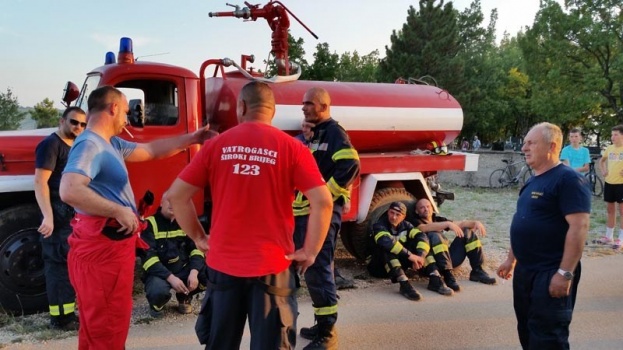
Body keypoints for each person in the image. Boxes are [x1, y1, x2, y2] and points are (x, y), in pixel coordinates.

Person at [166, 81, 333, 350]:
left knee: (220, 343)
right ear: (273, 110)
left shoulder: (217, 145)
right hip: (273, 267)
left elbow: (177, 196)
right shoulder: (293, 148)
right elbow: (323, 202)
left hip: (223, 267)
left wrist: (198, 236)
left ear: (241, 106)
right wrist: (310, 251)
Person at [59, 85, 215, 350]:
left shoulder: (112, 143)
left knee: (100, 327)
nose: (127, 118)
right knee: (107, 327)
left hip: (107, 248)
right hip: (101, 250)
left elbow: (152, 150)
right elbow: (69, 189)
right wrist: (118, 210)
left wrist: (194, 138)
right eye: (126, 111)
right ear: (113, 108)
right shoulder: (90, 144)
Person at [497, 122, 591, 349]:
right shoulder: (533, 180)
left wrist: (565, 273)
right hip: (526, 271)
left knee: (548, 337)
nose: (524, 148)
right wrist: (511, 259)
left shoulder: (568, 180)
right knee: (527, 330)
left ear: (552, 146)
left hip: (551, 271)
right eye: (524, 143)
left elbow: (579, 227)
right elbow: (521, 221)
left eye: (531, 143)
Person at [293, 87, 360, 349]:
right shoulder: (316, 133)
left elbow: (350, 164)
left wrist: (324, 198)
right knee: (313, 272)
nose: (304, 107)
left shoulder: (334, 131)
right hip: (309, 214)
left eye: (309, 103)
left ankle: (328, 335)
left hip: (322, 214)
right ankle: (322, 326)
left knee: (320, 270)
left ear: (323, 105)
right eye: (303, 103)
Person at [34, 106, 87, 331]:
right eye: (74, 122)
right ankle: (60, 318)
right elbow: (40, 182)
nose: (78, 127)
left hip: (68, 216)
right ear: (62, 121)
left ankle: (67, 313)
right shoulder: (51, 145)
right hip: (55, 213)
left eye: (83, 124)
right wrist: (48, 217)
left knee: (67, 265)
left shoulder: (73, 144)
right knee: (57, 266)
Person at [295, 119, 355, 291]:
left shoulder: (326, 143)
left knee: (326, 245)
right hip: (301, 207)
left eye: (309, 127)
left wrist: (346, 197)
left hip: (322, 206)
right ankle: (301, 281)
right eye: (304, 126)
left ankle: (330, 282)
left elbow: (347, 169)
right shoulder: (298, 143)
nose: (306, 130)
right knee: (301, 246)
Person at [138, 192, 207, 318]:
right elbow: (148, 258)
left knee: (210, 274)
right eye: (169, 201)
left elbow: (196, 248)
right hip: (160, 274)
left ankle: (185, 295)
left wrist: (194, 272)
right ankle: (157, 304)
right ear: (161, 203)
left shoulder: (185, 222)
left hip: (182, 269)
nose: (172, 205)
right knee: (157, 291)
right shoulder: (150, 224)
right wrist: (170, 278)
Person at [367, 201, 451, 301]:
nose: (393, 217)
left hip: (398, 265)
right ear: (388, 212)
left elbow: (422, 237)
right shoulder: (379, 225)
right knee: (388, 248)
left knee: (420, 246)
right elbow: (387, 242)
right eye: (391, 213)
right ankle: (404, 284)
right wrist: (410, 256)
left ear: (403, 217)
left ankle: (435, 278)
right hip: (378, 267)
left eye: (398, 214)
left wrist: (420, 257)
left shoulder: (407, 226)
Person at [410, 198, 496, 292]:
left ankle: (478, 271)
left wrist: (475, 223)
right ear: (416, 211)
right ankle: (447, 275)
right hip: (430, 265)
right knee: (435, 235)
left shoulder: (438, 220)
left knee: (467, 232)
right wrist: (447, 224)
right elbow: (424, 228)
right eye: (422, 207)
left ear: (432, 208)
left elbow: (461, 224)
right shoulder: (415, 222)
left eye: (428, 206)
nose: (426, 209)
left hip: (448, 260)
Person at [598, 124, 623, 249]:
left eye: (616, 134)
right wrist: (603, 171)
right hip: (609, 183)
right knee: (610, 210)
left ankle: (621, 239)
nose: (613, 137)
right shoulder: (609, 148)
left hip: (621, 184)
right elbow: (601, 161)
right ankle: (609, 236)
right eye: (612, 134)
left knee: (622, 211)